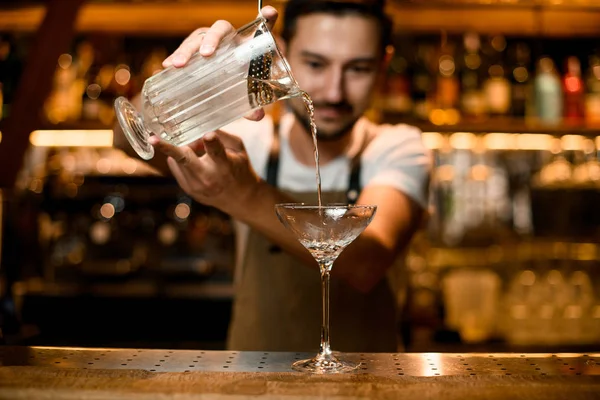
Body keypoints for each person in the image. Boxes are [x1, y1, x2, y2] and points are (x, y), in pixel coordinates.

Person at [113, 0, 430, 352]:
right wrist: (190, 74)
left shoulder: (398, 147)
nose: (334, 91)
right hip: (251, 383)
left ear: (383, 66)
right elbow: (123, 138)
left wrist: (243, 196)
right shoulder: (248, 141)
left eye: (358, 68)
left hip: (369, 386)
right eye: (315, 64)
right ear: (282, 52)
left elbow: (365, 262)